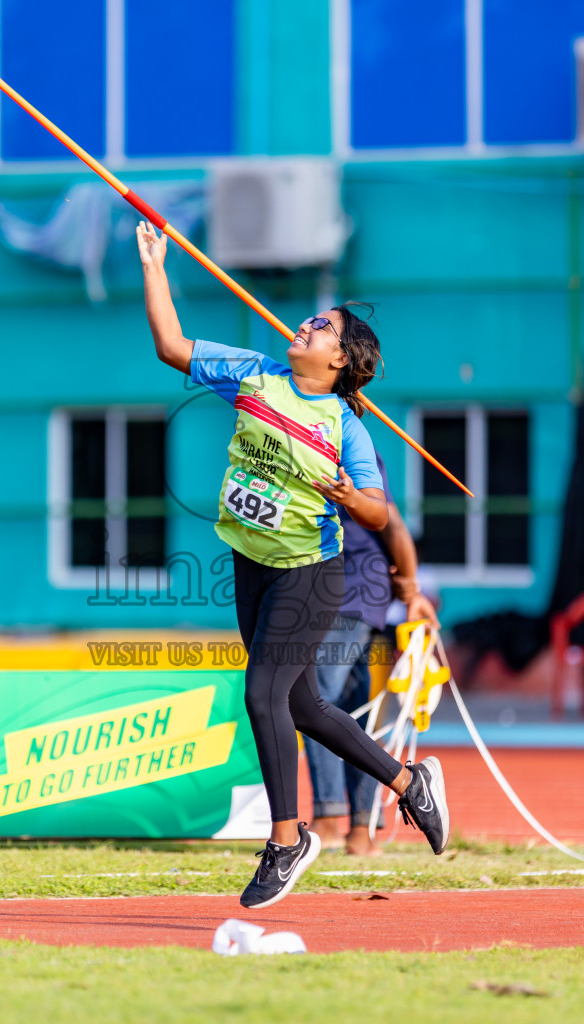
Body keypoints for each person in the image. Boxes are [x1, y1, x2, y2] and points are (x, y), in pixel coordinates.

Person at [136, 220, 449, 911]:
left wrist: (349, 496)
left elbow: (379, 514)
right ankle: (408, 783)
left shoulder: (347, 428)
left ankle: (286, 839)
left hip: (310, 572)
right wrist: (155, 265)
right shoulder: (253, 374)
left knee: (262, 695)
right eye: (310, 319)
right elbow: (170, 346)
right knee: (303, 704)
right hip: (250, 561)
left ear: (340, 360)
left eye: (321, 326)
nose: (305, 325)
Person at [304, 451, 439, 857]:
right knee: (355, 705)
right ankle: (362, 829)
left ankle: (330, 818)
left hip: (348, 589)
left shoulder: (345, 444)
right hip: (355, 589)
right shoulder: (324, 439)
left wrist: (413, 593)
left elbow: (390, 522)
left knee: (314, 701)